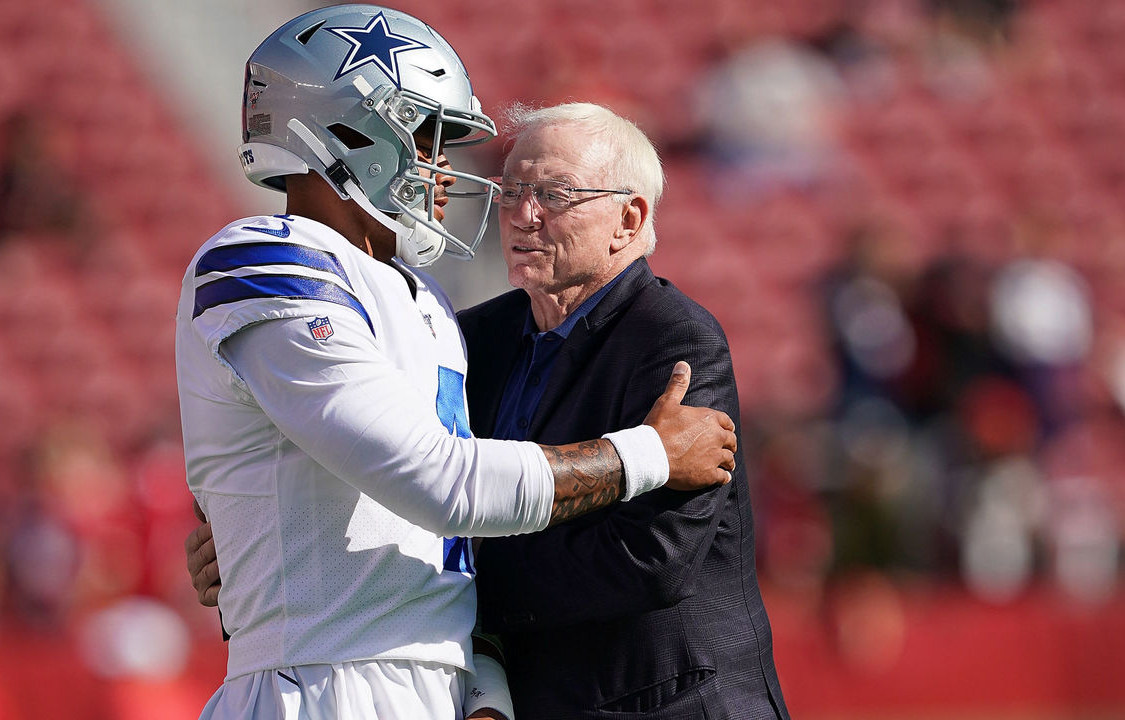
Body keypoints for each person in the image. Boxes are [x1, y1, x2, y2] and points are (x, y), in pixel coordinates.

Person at [176, 7, 739, 720]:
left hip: (433, 690)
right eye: (427, 136)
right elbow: (438, 483)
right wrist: (647, 454)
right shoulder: (265, 257)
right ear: (348, 128)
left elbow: (444, 548)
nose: (446, 169)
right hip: (320, 686)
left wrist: (483, 691)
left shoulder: (428, 305)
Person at [457, 103, 790, 719]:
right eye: (511, 191)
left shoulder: (675, 340)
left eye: (554, 195)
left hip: (673, 704)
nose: (523, 216)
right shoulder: (472, 339)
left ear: (628, 218)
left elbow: (650, 557)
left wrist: (462, 588)